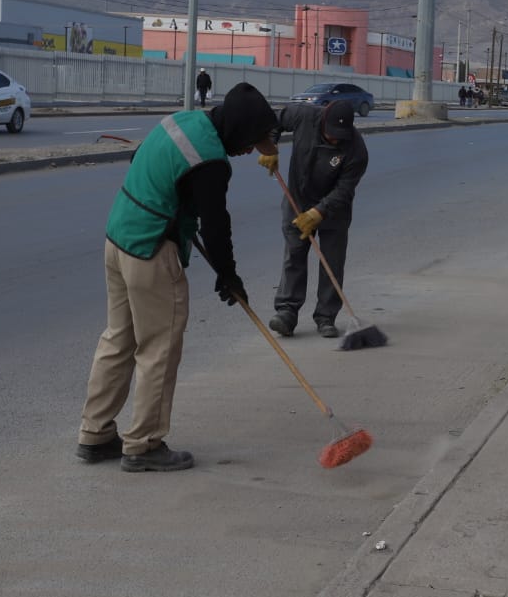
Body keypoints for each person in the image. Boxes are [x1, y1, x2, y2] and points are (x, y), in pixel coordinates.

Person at [76, 82, 281, 471]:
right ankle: (144, 445)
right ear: (238, 129)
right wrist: (229, 276)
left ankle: (95, 434)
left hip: (118, 238)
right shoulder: (211, 161)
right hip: (151, 249)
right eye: (249, 143)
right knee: (160, 347)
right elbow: (216, 225)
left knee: (118, 338)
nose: (247, 151)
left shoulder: (182, 122)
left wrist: (179, 200)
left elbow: (140, 158)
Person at [269, 99, 370, 339]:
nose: (334, 140)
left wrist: (318, 212)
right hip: (298, 200)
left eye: (339, 137)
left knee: (332, 262)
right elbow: (272, 120)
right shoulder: (303, 116)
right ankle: (286, 312)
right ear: (323, 120)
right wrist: (269, 146)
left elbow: (344, 190)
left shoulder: (357, 150)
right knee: (294, 255)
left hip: (334, 210)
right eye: (330, 134)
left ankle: (326, 317)